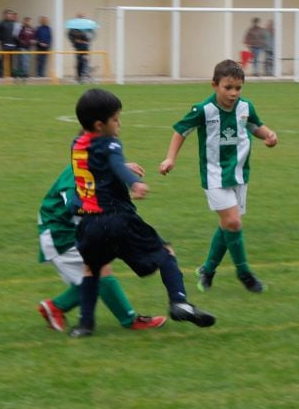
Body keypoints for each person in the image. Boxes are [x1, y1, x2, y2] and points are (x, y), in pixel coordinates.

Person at [69, 88, 216, 337]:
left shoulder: (78, 144)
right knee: (166, 253)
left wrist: (120, 168)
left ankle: (85, 325)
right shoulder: (111, 143)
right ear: (99, 124)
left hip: (88, 223)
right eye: (115, 119)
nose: (120, 124)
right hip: (117, 219)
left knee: (92, 269)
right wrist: (133, 182)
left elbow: (98, 165)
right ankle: (179, 302)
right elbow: (114, 161)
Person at [159, 59, 278, 293]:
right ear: (214, 85)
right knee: (233, 222)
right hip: (214, 176)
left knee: (228, 224)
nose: (233, 93)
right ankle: (244, 273)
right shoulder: (203, 109)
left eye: (238, 88)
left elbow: (254, 126)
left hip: (240, 174)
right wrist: (170, 158)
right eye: (228, 87)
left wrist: (269, 135)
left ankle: (208, 270)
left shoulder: (245, 107)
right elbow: (180, 131)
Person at [37, 165, 167, 333]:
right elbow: (73, 205)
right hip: (60, 232)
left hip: (69, 227)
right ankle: (130, 320)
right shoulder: (76, 176)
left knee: (93, 275)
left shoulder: (88, 162)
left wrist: (121, 167)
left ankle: (55, 307)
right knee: (99, 271)